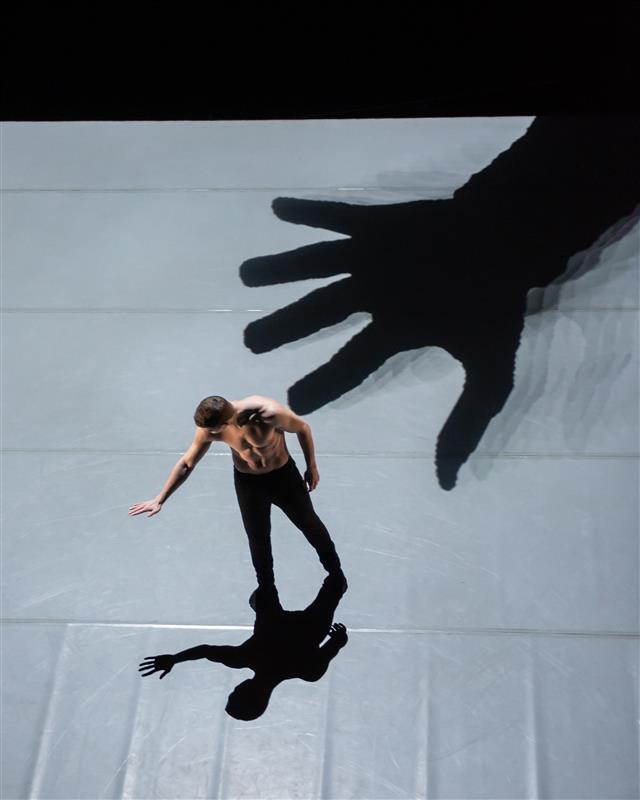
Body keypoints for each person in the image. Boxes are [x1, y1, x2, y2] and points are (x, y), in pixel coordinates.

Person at [129, 394, 345, 589]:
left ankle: (334, 570)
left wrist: (311, 466)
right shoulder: (209, 428)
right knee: (257, 537)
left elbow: (302, 428)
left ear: (225, 423)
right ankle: (266, 586)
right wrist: (160, 498)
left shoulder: (267, 413)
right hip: (248, 483)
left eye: (214, 431)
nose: (209, 434)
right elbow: (187, 463)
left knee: (309, 524)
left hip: (283, 478)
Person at [138, 573, 348, 720]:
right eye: (234, 693)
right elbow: (205, 650)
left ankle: (264, 596)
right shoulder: (244, 658)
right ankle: (261, 597)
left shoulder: (308, 671)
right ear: (243, 691)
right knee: (264, 590)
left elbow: (337, 641)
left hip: (308, 628)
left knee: (336, 582)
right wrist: (174, 659)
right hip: (281, 624)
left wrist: (338, 637)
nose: (235, 688)